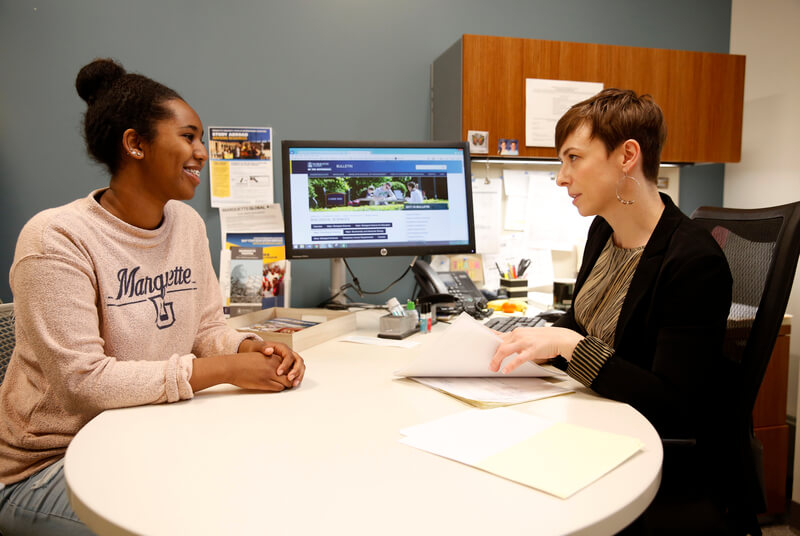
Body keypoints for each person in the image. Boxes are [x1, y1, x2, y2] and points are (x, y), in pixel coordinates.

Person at [0, 58, 305, 535]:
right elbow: (83, 383)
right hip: (48, 465)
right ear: (135, 144)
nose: (202, 152)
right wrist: (225, 369)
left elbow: (205, 329)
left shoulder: (184, 224)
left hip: (145, 434)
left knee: (264, 488)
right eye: (188, 136)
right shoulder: (56, 239)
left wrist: (247, 348)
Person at [489, 89, 737, 532]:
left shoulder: (693, 260)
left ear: (627, 156)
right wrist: (525, 343)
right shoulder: (604, 231)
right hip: (596, 425)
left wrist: (569, 344)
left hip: (652, 457)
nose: (562, 177)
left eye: (573, 158)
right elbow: (578, 324)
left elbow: (674, 404)